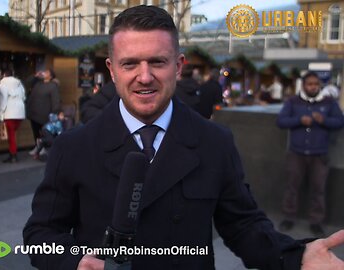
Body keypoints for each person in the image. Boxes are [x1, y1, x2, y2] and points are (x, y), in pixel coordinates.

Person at [23, 5, 344, 270]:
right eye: (131, 63)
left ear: (178, 66)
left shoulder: (214, 141)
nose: (144, 76)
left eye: (157, 62)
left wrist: (296, 257)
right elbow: (40, 235)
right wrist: (73, 260)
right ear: (112, 70)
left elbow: (243, 226)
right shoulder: (74, 146)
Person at [277, 71, 344, 238]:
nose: (313, 87)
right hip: (296, 152)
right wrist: (299, 120)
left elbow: (339, 121)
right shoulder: (293, 101)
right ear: (304, 85)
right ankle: (288, 217)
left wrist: (323, 120)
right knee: (292, 187)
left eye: (316, 84)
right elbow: (281, 121)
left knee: (318, 189)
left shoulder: (329, 102)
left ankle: (316, 222)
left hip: (319, 154)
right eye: (310, 84)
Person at [26, 69, 60, 156]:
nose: (44, 73)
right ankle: (37, 146)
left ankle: (43, 148)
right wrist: (35, 75)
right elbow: (27, 82)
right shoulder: (38, 83)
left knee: (43, 132)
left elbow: (55, 101)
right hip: (34, 111)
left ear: (51, 76)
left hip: (44, 113)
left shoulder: (53, 86)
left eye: (47, 72)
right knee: (35, 131)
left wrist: (54, 113)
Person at [0, 69, 26, 163]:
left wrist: (0, 113)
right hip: (20, 111)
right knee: (13, 134)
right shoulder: (19, 84)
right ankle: (12, 153)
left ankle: (13, 155)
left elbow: (3, 100)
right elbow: (24, 96)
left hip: (9, 112)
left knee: (11, 135)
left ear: (4, 75)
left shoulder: (3, 84)